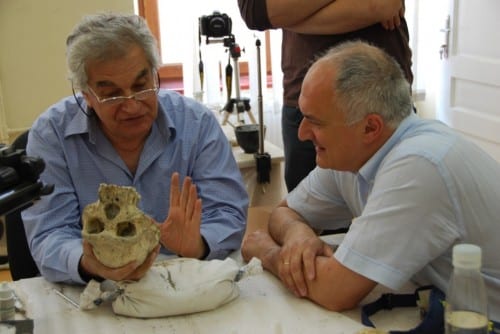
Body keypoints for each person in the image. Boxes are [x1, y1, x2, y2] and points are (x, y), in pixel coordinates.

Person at [240, 41, 500, 324]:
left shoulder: (418, 166)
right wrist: (297, 234)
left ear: (370, 127)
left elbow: (334, 290)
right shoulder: (353, 152)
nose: (302, 133)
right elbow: (284, 212)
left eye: (315, 122)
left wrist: (267, 252)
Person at [22, 13, 249, 285]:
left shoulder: (196, 123)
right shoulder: (52, 135)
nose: (131, 105)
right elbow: (49, 233)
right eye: (112, 94)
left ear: (155, 75)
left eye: (142, 86)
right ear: (86, 95)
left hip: (184, 279)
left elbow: (228, 212)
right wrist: (89, 263)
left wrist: (197, 244)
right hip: (94, 289)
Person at [238, 0, 413, 191]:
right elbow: (257, 12)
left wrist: (291, 17)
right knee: (305, 212)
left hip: (381, 97)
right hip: (306, 99)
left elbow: (381, 6)